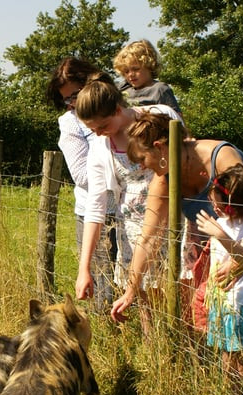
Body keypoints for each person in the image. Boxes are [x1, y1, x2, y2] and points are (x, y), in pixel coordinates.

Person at [111, 112, 243, 330]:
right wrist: (130, 290)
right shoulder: (163, 180)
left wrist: (241, 262)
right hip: (222, 247)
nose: (141, 167)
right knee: (218, 319)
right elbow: (149, 238)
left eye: (142, 159)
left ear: (159, 147)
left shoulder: (222, 158)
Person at [72, 72, 183, 336]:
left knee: (179, 293)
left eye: (103, 126)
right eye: (92, 130)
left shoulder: (160, 116)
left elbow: (186, 159)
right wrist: (83, 267)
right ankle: (155, 353)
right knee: (144, 299)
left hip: (175, 221)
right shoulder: (101, 147)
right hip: (133, 230)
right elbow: (96, 207)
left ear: (118, 109)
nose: (99, 134)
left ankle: (186, 354)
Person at [46, 57, 117, 312]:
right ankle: (111, 345)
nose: (73, 103)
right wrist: (124, 168)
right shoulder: (70, 123)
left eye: (75, 94)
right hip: (98, 214)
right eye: (67, 99)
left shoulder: (118, 108)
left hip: (133, 211)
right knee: (104, 291)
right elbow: (83, 176)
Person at [195, 165, 243, 383]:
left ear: (234, 204)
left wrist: (220, 235)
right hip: (225, 303)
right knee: (229, 358)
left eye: (217, 201)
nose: (213, 206)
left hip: (241, 304)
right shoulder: (222, 222)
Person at [114, 39, 181, 115]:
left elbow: (176, 119)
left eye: (135, 69)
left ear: (149, 66)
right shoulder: (121, 88)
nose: (130, 74)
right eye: (126, 71)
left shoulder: (159, 90)